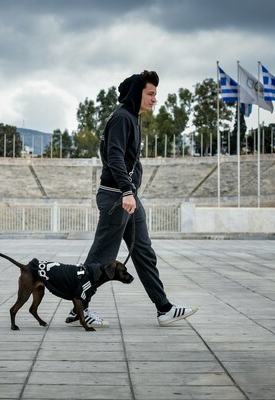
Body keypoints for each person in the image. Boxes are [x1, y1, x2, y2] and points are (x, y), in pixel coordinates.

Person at [66, 70, 198, 328]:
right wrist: (127, 190)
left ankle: (164, 308)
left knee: (144, 252)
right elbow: (113, 156)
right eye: (150, 93)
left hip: (128, 197)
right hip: (117, 197)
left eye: (155, 94)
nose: (154, 99)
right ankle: (78, 307)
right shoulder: (122, 118)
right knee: (102, 257)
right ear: (137, 93)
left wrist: (130, 191)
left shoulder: (132, 119)